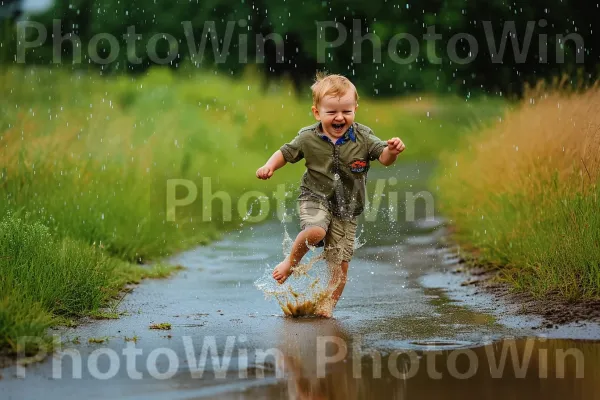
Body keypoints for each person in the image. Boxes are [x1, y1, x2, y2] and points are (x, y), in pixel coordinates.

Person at [256, 72, 405, 316]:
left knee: (340, 266)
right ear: (317, 112)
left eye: (346, 111)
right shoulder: (308, 137)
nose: (339, 117)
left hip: (347, 209)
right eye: (332, 112)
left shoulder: (364, 137)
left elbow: (385, 159)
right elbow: (285, 152)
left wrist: (393, 151)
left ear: (355, 108)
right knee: (315, 231)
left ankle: (326, 308)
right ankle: (290, 263)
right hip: (314, 197)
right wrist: (269, 166)